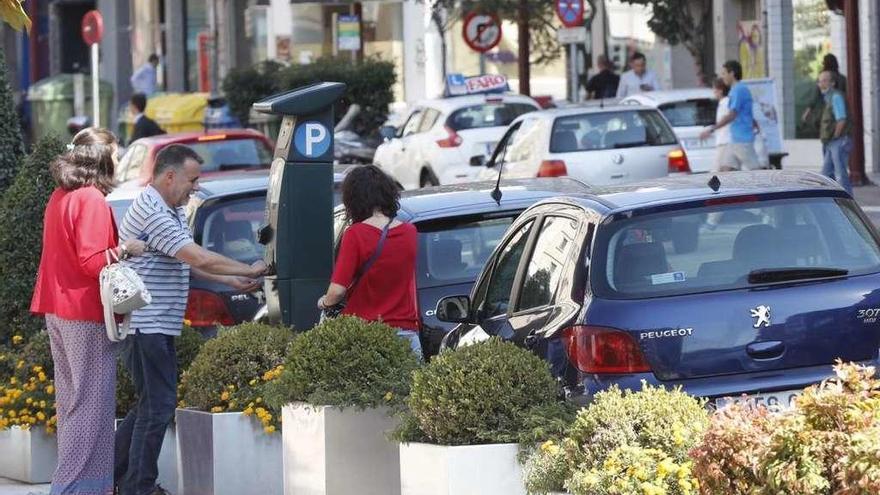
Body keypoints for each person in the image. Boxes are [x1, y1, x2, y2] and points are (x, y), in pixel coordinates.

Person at [114, 144, 267, 495]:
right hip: (145, 324)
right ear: (170, 176)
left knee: (150, 404)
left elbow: (188, 261)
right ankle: (138, 487)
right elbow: (196, 254)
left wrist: (230, 280)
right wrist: (247, 266)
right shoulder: (152, 208)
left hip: (158, 323)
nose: (195, 187)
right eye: (192, 180)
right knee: (159, 405)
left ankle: (118, 477)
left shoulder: (172, 208)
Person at [30, 128, 148, 495]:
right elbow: (93, 261)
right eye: (114, 152)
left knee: (71, 401)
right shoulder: (91, 199)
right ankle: (75, 488)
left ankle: (83, 486)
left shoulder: (59, 196)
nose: (117, 158)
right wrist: (128, 248)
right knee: (91, 405)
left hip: (57, 307)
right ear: (102, 157)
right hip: (83, 310)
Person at [317, 165, 421, 358]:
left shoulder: (355, 234)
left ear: (353, 199)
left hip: (366, 334)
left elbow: (338, 290)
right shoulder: (410, 232)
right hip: (406, 331)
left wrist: (324, 302)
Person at [700, 60, 761, 170]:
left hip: (742, 140)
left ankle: (768, 186)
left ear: (732, 73)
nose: (723, 77)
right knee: (724, 171)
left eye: (724, 73)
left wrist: (712, 129)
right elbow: (746, 112)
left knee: (755, 173)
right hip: (734, 140)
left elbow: (732, 115)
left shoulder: (739, 90)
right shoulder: (736, 90)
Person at [818, 70, 853, 194]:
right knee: (826, 174)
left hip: (838, 140)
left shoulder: (836, 96)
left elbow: (841, 120)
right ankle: (830, 202)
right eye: (820, 81)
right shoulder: (828, 98)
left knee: (840, 174)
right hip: (831, 142)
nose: (821, 84)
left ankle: (848, 202)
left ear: (832, 83)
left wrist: (836, 136)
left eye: (824, 81)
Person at [802, 54, 847, 133]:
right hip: (841, 110)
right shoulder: (842, 79)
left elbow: (814, 97)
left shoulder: (823, 78)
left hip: (826, 111)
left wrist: (807, 112)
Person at [711, 78, 733, 170]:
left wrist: (712, 129)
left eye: (714, 90)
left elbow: (726, 118)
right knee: (725, 170)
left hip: (725, 141)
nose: (714, 92)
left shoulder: (726, 102)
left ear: (720, 90)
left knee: (716, 171)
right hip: (723, 141)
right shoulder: (723, 103)